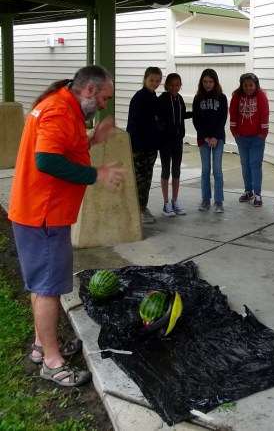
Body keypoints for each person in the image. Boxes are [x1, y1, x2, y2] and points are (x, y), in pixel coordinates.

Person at [9, 65, 125, 387]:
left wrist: (92, 138)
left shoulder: (64, 106)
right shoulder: (59, 110)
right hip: (44, 215)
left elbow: (63, 147)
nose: (105, 105)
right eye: (104, 98)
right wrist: (96, 174)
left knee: (42, 285)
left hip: (39, 213)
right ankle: (52, 362)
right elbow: (47, 160)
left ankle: (41, 346)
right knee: (48, 289)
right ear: (89, 90)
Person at [127, 66, 162, 224]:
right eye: (151, 80)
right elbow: (135, 123)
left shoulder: (154, 97)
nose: (154, 83)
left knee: (147, 178)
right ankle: (137, 209)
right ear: (145, 79)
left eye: (157, 81)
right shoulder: (139, 98)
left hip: (151, 146)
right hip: (139, 147)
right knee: (139, 179)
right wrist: (153, 120)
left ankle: (143, 207)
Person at [230, 72, 269, 207]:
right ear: (242, 85)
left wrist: (264, 132)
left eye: (251, 85)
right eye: (245, 85)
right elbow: (233, 114)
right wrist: (234, 132)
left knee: (255, 164)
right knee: (245, 164)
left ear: (256, 84)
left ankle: (257, 193)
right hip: (242, 137)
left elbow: (264, 114)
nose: (248, 88)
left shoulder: (261, 96)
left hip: (257, 137)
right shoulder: (236, 96)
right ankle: (248, 191)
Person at [193, 68, 228, 213]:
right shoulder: (197, 98)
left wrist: (214, 137)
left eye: (210, 82)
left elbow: (223, 119)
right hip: (204, 139)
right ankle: (205, 199)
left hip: (217, 138)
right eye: (205, 81)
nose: (208, 84)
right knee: (205, 170)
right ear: (201, 82)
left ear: (215, 82)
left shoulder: (222, 97)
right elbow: (196, 120)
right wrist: (206, 137)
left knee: (217, 170)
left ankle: (218, 201)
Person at [158, 73, 192, 217]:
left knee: (176, 171)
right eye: (171, 85)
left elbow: (182, 114)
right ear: (166, 85)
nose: (174, 88)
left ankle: (175, 201)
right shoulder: (162, 99)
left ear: (180, 85)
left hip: (178, 140)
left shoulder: (180, 99)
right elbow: (158, 117)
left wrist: (195, 113)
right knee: (166, 171)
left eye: (177, 85)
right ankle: (166, 203)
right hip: (165, 141)